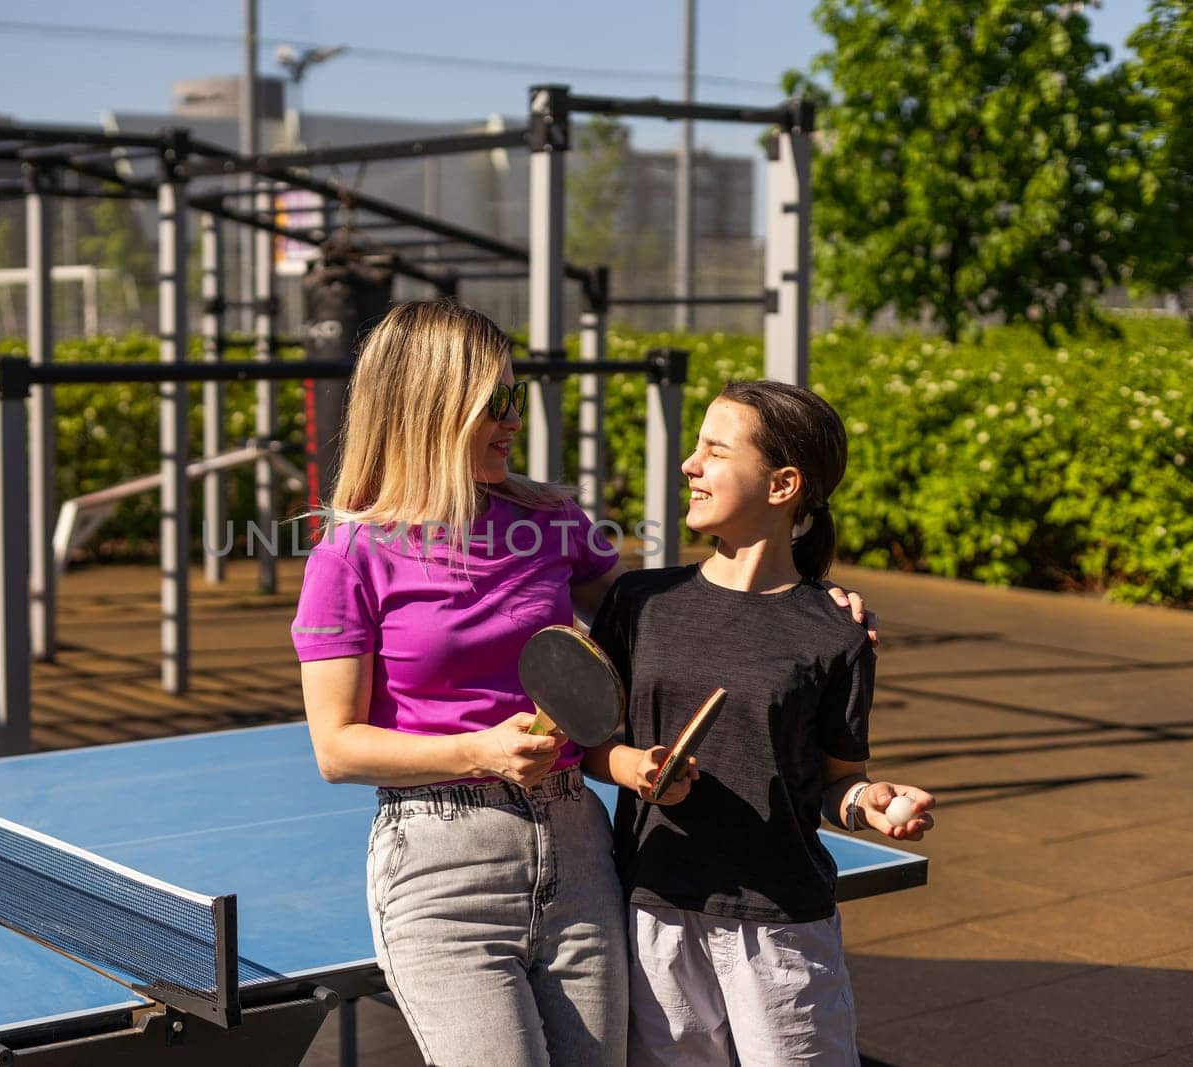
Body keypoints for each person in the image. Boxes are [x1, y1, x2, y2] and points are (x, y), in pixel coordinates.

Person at [292, 302, 873, 1065]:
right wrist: (480, 751)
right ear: (429, 406)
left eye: (515, 398)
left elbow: (673, 620)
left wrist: (807, 607)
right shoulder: (348, 556)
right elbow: (337, 749)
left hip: (580, 853)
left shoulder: (550, 519)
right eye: (492, 403)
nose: (511, 420)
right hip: (441, 862)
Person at [584, 379, 936, 1066]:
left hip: (781, 931)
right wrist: (633, 767)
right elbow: (592, 746)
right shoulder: (640, 600)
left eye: (714, 450)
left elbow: (836, 783)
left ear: (783, 484)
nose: (690, 464)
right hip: (654, 911)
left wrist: (873, 801)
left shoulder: (837, 629)